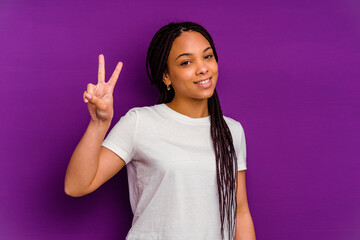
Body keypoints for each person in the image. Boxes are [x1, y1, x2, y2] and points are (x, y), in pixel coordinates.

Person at [64, 22, 256, 240]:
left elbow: (240, 212)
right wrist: (99, 124)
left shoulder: (231, 131)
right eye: (186, 62)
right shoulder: (140, 122)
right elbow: (76, 185)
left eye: (208, 56)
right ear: (166, 76)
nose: (203, 68)